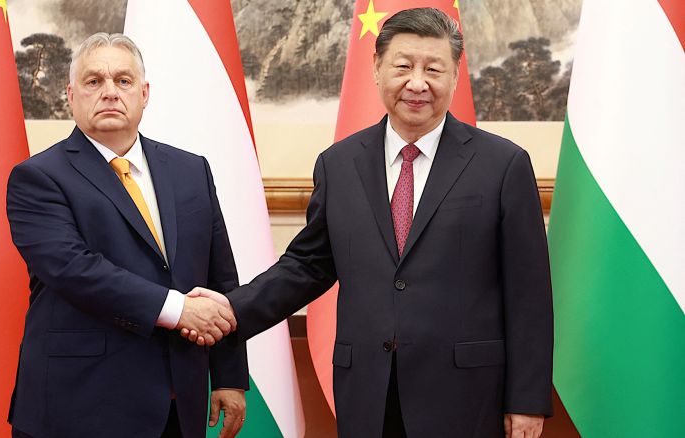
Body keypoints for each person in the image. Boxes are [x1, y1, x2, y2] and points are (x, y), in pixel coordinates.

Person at [186, 8, 553, 438]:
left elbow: (528, 292)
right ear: (377, 69)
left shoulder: (503, 165)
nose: (417, 83)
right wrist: (231, 309)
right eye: (402, 66)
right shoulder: (339, 164)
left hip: (467, 395)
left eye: (433, 68)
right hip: (369, 391)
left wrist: (526, 401)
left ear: (455, 75)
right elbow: (307, 266)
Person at [6, 33, 245, 438]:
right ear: (70, 94)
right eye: (94, 81)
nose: (110, 92)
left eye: (123, 80)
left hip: (178, 403)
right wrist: (178, 309)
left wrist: (229, 375)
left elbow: (220, 279)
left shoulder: (191, 171)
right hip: (79, 406)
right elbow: (75, 270)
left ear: (144, 93)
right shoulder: (38, 177)